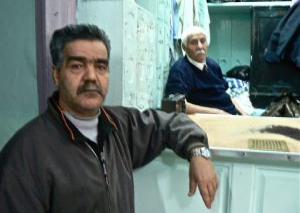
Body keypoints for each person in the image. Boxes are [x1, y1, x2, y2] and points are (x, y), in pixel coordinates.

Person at [0, 24, 218, 213]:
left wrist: (197, 150)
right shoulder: (24, 155)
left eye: (101, 66)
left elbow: (168, 123)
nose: (91, 77)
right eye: (77, 66)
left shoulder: (118, 125)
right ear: (57, 75)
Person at [165, 26, 247, 115]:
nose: (200, 46)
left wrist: (244, 114)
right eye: (193, 42)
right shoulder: (179, 70)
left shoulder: (212, 64)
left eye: (202, 41)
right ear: (184, 47)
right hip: (211, 120)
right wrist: (218, 113)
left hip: (231, 116)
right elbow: (176, 105)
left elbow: (226, 93)